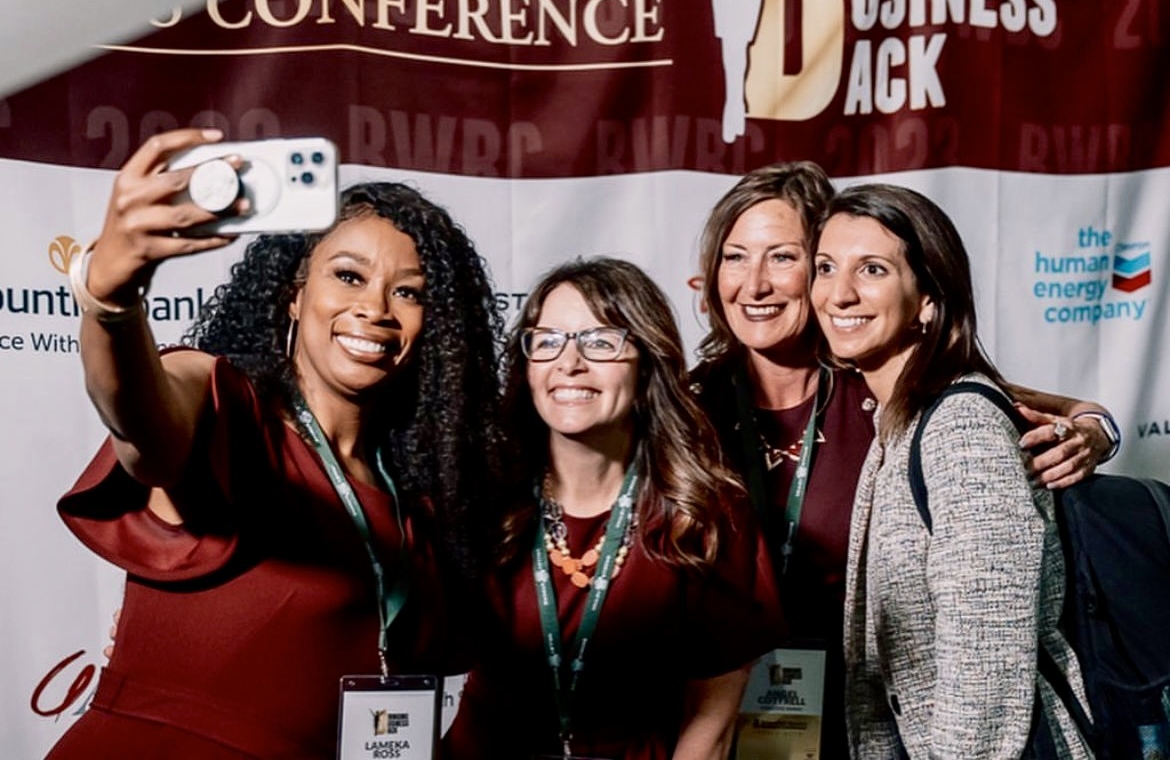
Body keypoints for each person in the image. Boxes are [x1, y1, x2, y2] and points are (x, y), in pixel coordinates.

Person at [48, 128, 504, 759]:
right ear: (294, 297)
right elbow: (139, 423)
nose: (375, 308)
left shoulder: (418, 503)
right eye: (348, 276)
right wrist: (113, 299)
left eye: (408, 292)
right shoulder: (227, 408)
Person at [688, 162, 1117, 758]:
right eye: (735, 257)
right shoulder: (687, 408)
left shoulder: (885, 385)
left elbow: (999, 404)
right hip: (731, 712)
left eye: (784, 257)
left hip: (875, 712)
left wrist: (1096, 428)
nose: (755, 283)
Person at [442, 257, 782, 759]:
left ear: (647, 363)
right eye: (548, 340)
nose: (570, 363)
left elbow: (710, 724)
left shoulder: (705, 515)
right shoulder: (481, 504)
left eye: (601, 342)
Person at [811, 182, 1093, 758]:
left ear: (929, 298)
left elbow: (986, 650)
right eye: (825, 267)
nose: (838, 294)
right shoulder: (900, 419)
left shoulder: (960, 425)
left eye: (871, 270)